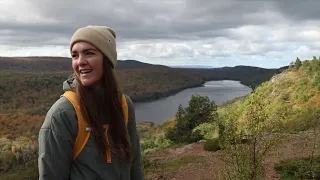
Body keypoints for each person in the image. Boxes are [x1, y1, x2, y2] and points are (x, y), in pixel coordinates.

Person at [38, 25, 144, 180]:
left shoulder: (123, 105)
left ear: (107, 59)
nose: (80, 62)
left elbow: (134, 163)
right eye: (75, 55)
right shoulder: (63, 114)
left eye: (89, 53)